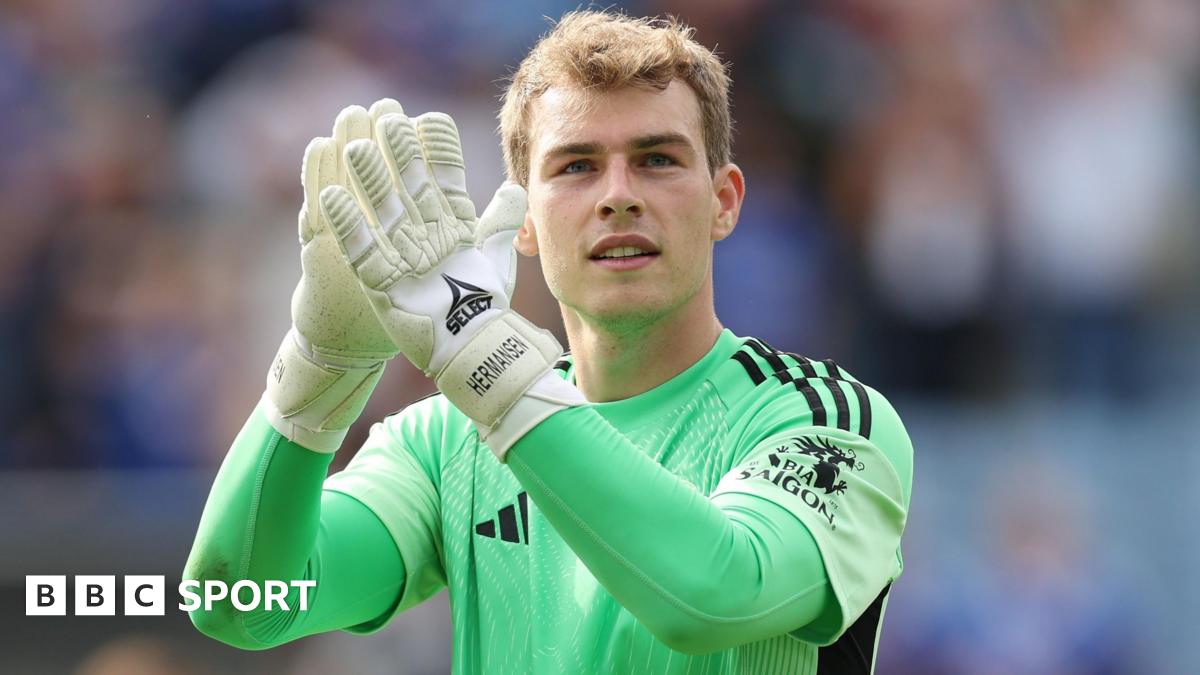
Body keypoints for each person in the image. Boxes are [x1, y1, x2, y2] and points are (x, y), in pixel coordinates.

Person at [184, 11, 912, 674]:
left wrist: (487, 359)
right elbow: (238, 604)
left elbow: (714, 596)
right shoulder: (448, 443)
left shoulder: (825, 420)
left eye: (657, 159)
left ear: (723, 201)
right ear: (525, 220)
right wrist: (319, 367)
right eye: (576, 166)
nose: (618, 195)